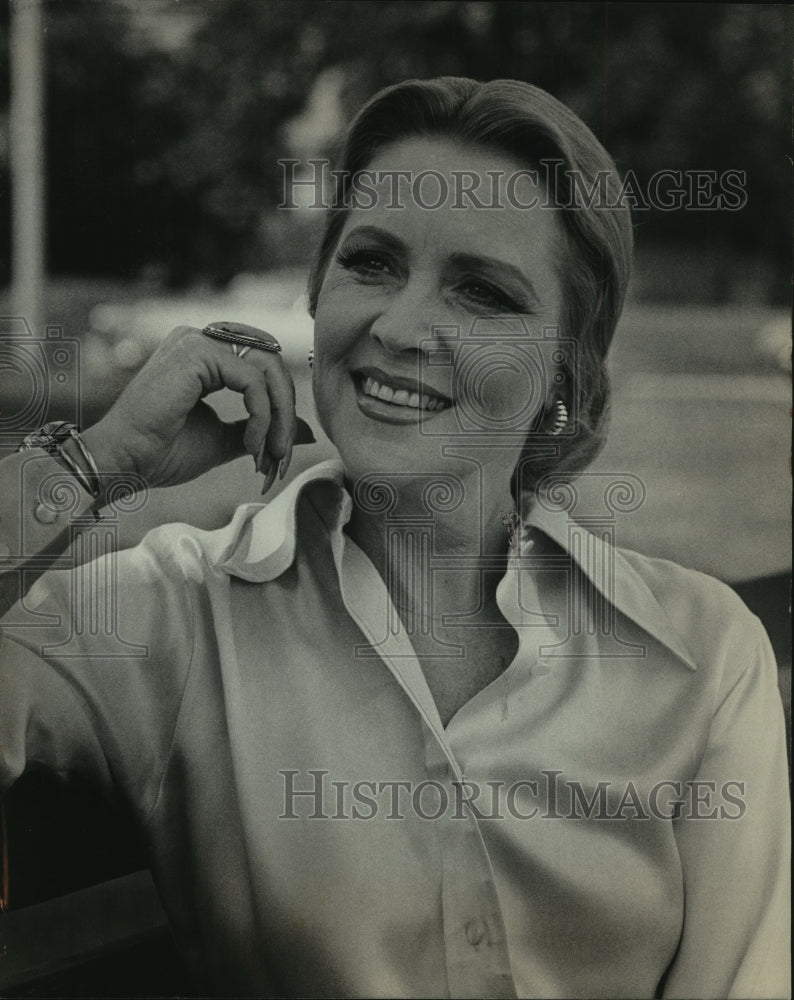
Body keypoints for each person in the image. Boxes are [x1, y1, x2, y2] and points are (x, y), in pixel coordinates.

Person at [0, 77, 789, 998]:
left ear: (564, 372)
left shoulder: (700, 651)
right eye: (372, 263)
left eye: (482, 293)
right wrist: (94, 465)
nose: (403, 326)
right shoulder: (170, 618)